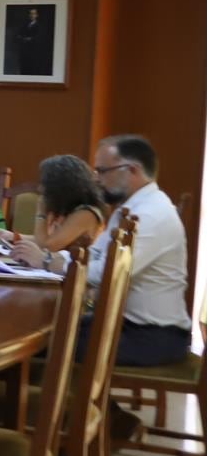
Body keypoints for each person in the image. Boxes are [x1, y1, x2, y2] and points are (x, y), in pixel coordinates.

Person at [13, 135, 192, 367]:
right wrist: (49, 258)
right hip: (128, 325)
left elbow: (108, 273)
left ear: (132, 170)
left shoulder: (151, 214)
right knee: (36, 329)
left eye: (103, 171)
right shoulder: (130, 208)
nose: (97, 179)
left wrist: (47, 261)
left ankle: (53, 401)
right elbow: (95, 254)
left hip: (153, 336)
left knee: (36, 341)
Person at [0, 154, 106, 254]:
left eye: (46, 184)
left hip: (75, 278)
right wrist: (10, 236)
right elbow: (44, 240)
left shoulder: (87, 213)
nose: (41, 189)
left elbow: (46, 247)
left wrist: (41, 212)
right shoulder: (68, 208)